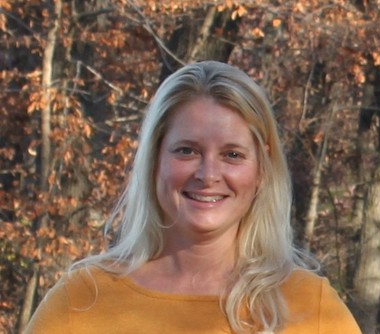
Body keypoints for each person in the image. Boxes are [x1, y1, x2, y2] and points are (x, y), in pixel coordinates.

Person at [25, 61, 361, 333]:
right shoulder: (81, 301)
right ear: (155, 159)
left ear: (262, 169)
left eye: (232, 155)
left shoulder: (312, 308)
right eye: (187, 150)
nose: (208, 174)